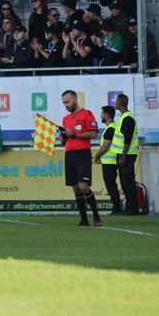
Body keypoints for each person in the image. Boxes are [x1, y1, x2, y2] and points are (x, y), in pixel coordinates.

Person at [58, 89, 102, 227]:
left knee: (84, 186)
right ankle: (84, 220)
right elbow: (63, 142)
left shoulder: (86, 114)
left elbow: (93, 134)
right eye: (64, 103)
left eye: (68, 102)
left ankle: (96, 216)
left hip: (82, 154)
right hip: (69, 155)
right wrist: (65, 136)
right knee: (76, 188)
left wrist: (74, 135)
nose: (66, 105)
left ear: (75, 100)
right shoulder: (65, 119)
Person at [93, 106, 123, 214]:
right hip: (111, 161)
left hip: (109, 163)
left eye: (102, 114)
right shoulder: (114, 127)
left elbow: (105, 147)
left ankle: (117, 208)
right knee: (112, 185)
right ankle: (117, 207)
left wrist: (96, 157)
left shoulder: (110, 129)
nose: (100, 116)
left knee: (111, 186)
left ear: (106, 115)